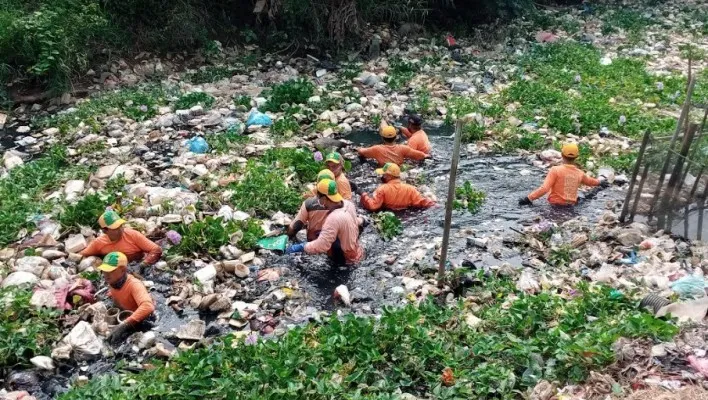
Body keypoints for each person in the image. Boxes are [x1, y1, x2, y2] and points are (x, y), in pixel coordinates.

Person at [286, 179, 364, 265]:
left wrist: (300, 247)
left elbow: (322, 245)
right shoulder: (349, 205)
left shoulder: (333, 218)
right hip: (357, 253)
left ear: (323, 199)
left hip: (345, 261)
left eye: (319, 199)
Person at [519, 143, 608, 206]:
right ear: (576, 157)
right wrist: (600, 182)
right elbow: (590, 182)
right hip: (571, 206)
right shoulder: (580, 173)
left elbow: (545, 189)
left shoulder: (555, 170)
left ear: (562, 155)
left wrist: (528, 199)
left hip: (554, 205)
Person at [99, 252, 155, 345]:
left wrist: (125, 324)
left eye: (110, 271)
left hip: (142, 320)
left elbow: (148, 306)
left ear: (122, 270)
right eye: (104, 271)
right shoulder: (114, 282)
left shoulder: (134, 284)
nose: (106, 274)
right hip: (126, 316)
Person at [80, 210, 162, 271]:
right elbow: (81, 255)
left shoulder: (132, 235)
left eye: (120, 226)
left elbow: (156, 249)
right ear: (105, 231)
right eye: (115, 228)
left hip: (137, 265)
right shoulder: (98, 243)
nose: (120, 230)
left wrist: (143, 265)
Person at [360, 162, 436, 211]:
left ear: (388, 176)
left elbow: (373, 206)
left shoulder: (382, 189)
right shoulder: (410, 189)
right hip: (408, 216)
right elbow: (423, 202)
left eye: (384, 174)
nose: (382, 176)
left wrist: (363, 194)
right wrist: (435, 205)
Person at [291, 170, 338, 241]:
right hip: (333, 242)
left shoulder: (309, 203)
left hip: (313, 241)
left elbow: (296, 225)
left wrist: (289, 236)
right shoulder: (342, 203)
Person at [357, 125, 427, 166]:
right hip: (398, 171)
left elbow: (362, 152)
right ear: (396, 137)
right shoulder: (403, 148)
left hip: (383, 172)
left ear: (382, 138)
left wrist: (358, 148)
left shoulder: (377, 149)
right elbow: (421, 155)